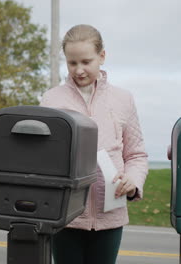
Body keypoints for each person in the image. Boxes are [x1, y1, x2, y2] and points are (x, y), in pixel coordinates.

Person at [40, 24, 148, 264]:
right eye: (72, 63)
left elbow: (136, 155)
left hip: (111, 214)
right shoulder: (51, 99)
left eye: (86, 62)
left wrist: (133, 180)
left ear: (102, 56)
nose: (78, 70)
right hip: (64, 215)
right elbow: (42, 158)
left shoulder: (123, 99)